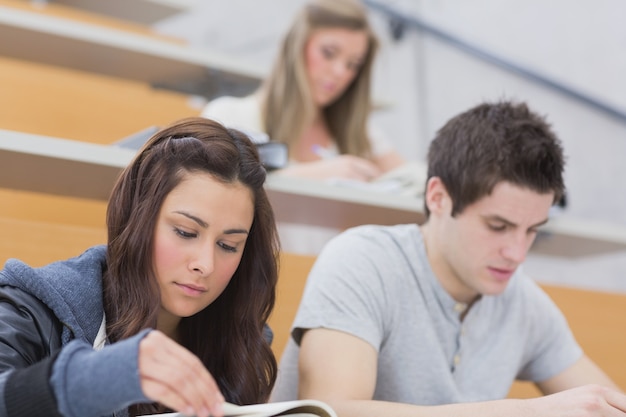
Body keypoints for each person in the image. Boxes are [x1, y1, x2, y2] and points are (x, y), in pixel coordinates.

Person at [271, 101, 626, 416]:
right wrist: (525, 411)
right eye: (498, 226)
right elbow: (332, 411)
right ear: (438, 197)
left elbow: (605, 402)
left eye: (533, 230)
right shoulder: (362, 261)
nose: (517, 253)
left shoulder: (523, 302)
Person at [0, 117, 279, 417]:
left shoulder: (242, 343)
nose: (205, 265)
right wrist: (98, 377)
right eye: (185, 232)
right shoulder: (31, 308)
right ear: (137, 220)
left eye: (228, 246)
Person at [201, 0, 405, 182]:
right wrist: (319, 173)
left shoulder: (364, 134)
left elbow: (411, 180)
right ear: (296, 47)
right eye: (328, 53)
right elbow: (216, 188)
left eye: (353, 64)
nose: (340, 72)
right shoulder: (229, 116)